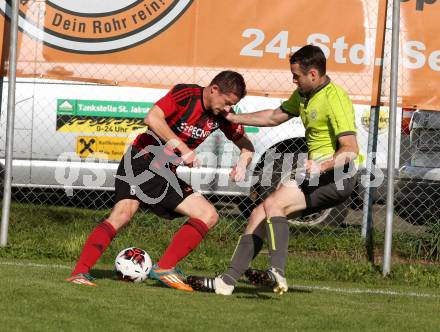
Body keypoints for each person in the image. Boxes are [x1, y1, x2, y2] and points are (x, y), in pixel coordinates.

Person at [187, 45, 359, 295]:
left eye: (296, 76)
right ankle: (227, 282)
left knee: (273, 205)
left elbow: (351, 149)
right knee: (259, 213)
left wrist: (321, 166)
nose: (293, 80)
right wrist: (234, 119)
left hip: (337, 177)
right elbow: (273, 117)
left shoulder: (335, 99)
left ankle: (276, 272)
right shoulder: (304, 95)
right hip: (318, 175)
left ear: (313, 74)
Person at [66, 71, 254, 291]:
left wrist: (242, 164)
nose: (228, 109)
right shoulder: (186, 94)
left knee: (208, 214)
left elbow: (247, 146)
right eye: (227, 103)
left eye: (232, 105)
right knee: (123, 213)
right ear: (214, 90)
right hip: (141, 161)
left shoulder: (221, 114)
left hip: (164, 172)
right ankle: (81, 272)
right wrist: (183, 149)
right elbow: (152, 118)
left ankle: (163, 267)